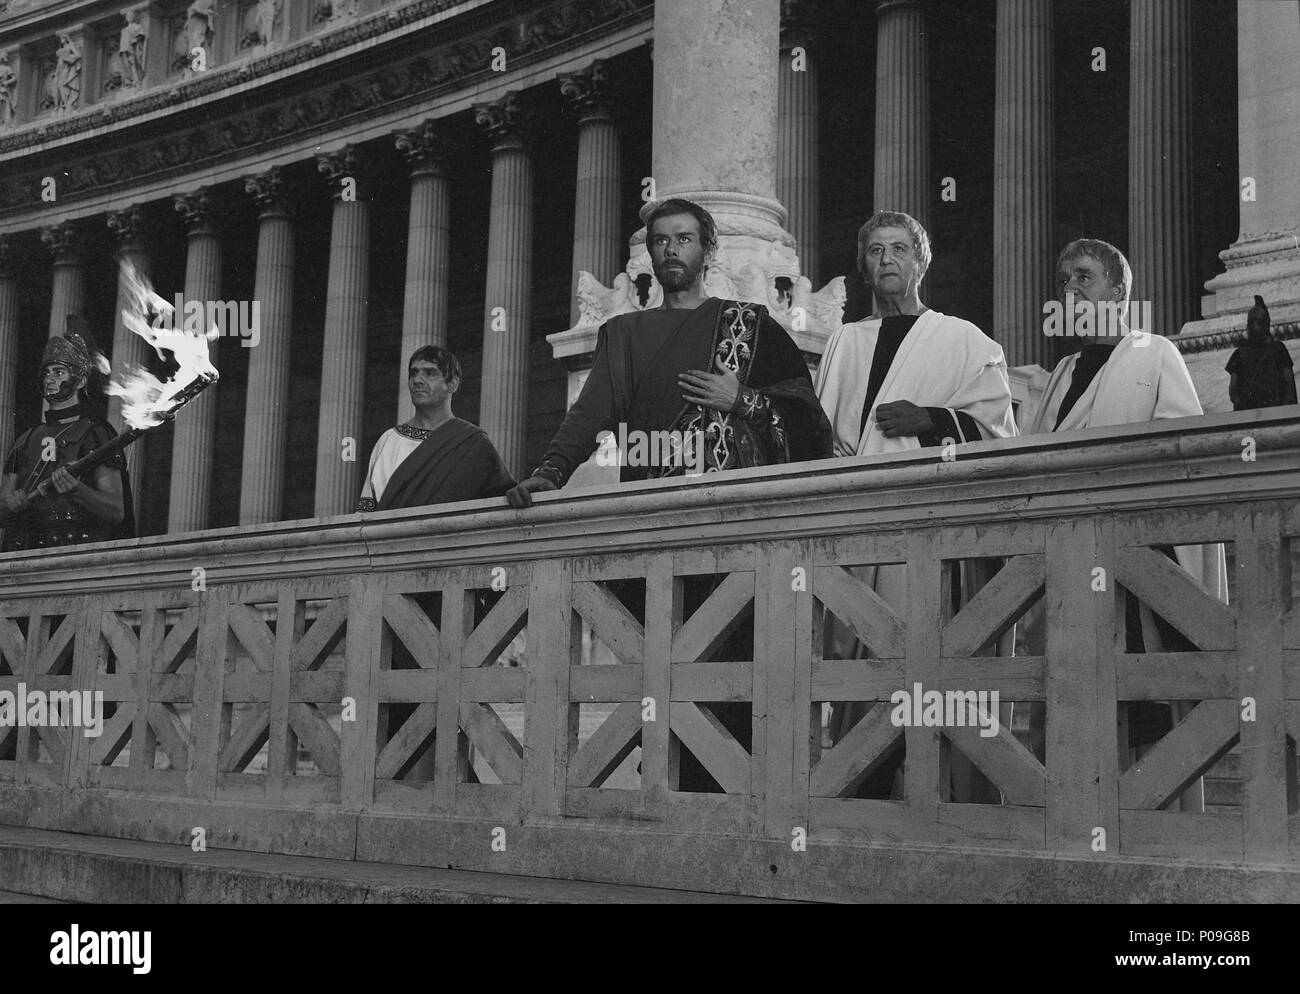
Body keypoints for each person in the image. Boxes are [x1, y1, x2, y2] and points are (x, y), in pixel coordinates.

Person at [813, 210, 1018, 802]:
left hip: (934, 533)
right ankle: (861, 795)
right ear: (863, 266)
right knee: (862, 672)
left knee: (931, 666)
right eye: (875, 251)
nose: (887, 262)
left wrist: (932, 421)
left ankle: (948, 804)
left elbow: (1000, 433)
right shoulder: (844, 342)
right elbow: (822, 433)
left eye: (899, 249)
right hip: (860, 532)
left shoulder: (964, 340)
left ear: (921, 261)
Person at [1027, 238, 1223, 811]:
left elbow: (1180, 453)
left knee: (1144, 707)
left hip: (1136, 564)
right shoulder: (1061, 373)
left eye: (1084, 277)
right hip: (1066, 564)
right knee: (1072, 705)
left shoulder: (1154, 352)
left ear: (1118, 291)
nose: (1070, 289)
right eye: (1064, 280)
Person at [506, 197, 830, 505]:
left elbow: (808, 417)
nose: (672, 249)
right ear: (652, 253)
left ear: (708, 250)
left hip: (738, 509)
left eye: (684, 239)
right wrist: (551, 471)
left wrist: (741, 400)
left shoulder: (749, 323)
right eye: (661, 241)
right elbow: (588, 414)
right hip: (652, 504)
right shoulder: (623, 333)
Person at [0, 319, 133, 552]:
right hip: (24, 558)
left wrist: (78, 490)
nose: (49, 379)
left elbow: (116, 511)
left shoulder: (96, 433)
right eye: (47, 373)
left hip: (78, 558)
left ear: (80, 380)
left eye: (59, 372)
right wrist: (11, 504)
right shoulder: (25, 440)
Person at [356, 345, 514, 512]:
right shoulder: (389, 440)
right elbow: (367, 511)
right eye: (413, 373)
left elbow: (501, 500)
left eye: (429, 373)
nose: (417, 380)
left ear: (452, 384)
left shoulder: (474, 443)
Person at [1226, 295, 1296, 411]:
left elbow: (1233, 391)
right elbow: (1289, 384)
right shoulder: (1278, 349)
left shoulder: (1239, 353)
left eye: (1258, 323)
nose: (1255, 327)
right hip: (1273, 412)